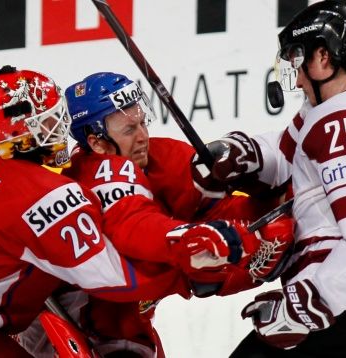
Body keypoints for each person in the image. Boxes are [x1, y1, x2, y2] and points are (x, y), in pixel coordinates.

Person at [0, 65, 260, 357]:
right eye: (46, 125)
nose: (57, 132)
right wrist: (201, 268)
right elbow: (120, 278)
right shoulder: (37, 197)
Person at [192, 2, 346, 357]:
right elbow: (286, 153)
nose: (295, 78)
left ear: (323, 56)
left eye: (298, 60)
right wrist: (244, 153)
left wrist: (304, 306)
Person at [57, 71, 295, 357]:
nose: (143, 137)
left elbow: (216, 212)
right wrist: (196, 243)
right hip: (74, 331)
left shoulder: (162, 157)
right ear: (97, 144)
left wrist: (274, 206)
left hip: (130, 330)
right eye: (129, 130)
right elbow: (135, 225)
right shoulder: (92, 176)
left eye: (143, 122)